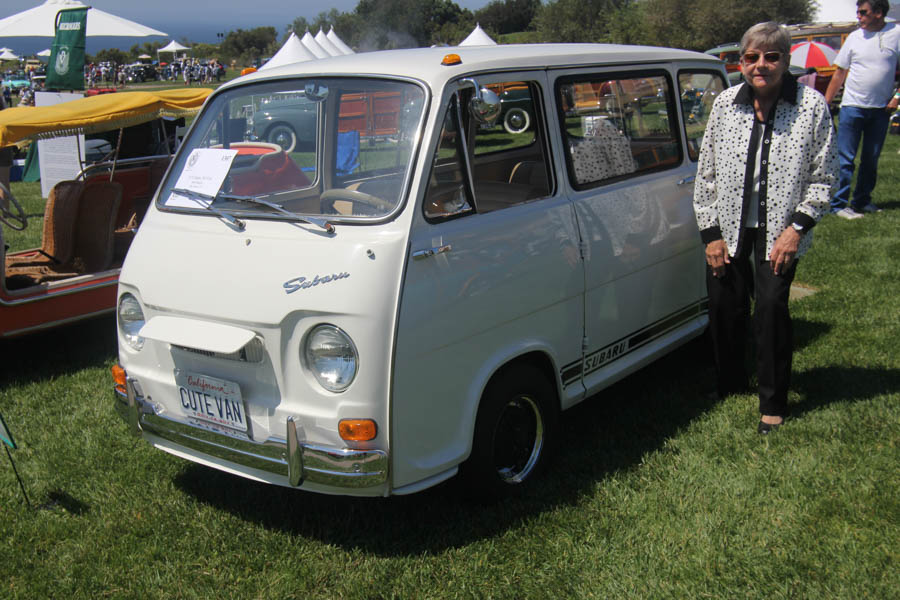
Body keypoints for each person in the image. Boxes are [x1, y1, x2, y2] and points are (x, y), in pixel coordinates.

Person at [693, 22, 837, 434]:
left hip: (779, 232)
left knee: (771, 309)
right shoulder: (725, 104)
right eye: (752, 57)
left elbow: (824, 176)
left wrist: (796, 231)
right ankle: (730, 382)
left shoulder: (810, 106)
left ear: (785, 61)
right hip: (730, 229)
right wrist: (711, 234)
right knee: (723, 307)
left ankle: (772, 401)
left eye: (771, 56)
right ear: (740, 62)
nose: (761, 65)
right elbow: (707, 175)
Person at [825, 0, 900, 219]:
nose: (859, 16)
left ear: (878, 13)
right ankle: (838, 205)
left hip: (880, 110)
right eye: (858, 12)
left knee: (871, 158)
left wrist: (897, 98)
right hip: (852, 106)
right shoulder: (854, 38)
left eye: (863, 12)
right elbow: (840, 72)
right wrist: (826, 102)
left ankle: (861, 201)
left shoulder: (896, 33)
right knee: (845, 158)